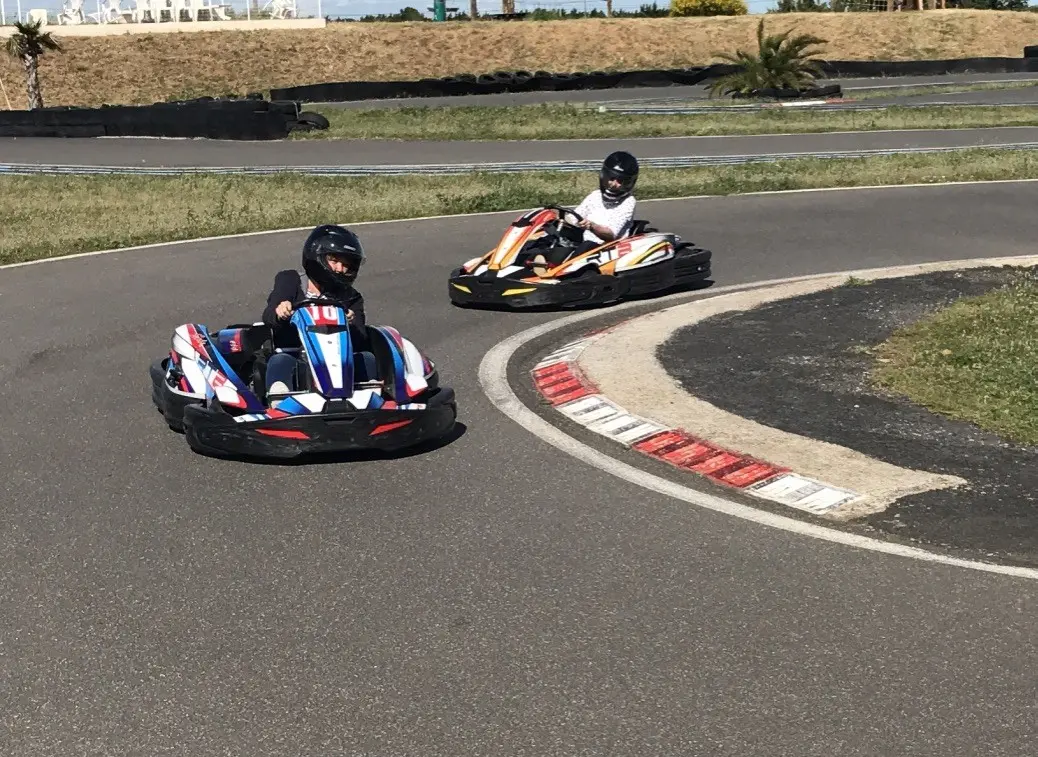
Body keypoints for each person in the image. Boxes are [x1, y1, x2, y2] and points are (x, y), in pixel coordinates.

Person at [260, 223, 376, 396]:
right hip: (296, 354)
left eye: (346, 265)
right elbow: (268, 317)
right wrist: (281, 311)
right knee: (280, 361)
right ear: (316, 257)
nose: (340, 269)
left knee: (367, 358)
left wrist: (350, 323)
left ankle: (371, 399)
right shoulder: (291, 281)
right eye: (334, 261)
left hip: (340, 360)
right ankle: (281, 401)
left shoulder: (352, 297)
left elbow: (362, 337)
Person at [531, 150, 640, 274]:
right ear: (604, 175)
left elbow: (611, 235)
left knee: (587, 245)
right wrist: (557, 220)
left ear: (629, 183)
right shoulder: (595, 196)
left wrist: (591, 226)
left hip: (607, 248)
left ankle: (553, 271)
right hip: (584, 244)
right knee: (549, 233)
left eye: (621, 181)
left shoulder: (629, 202)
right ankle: (524, 259)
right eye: (612, 178)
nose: (614, 184)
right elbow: (573, 218)